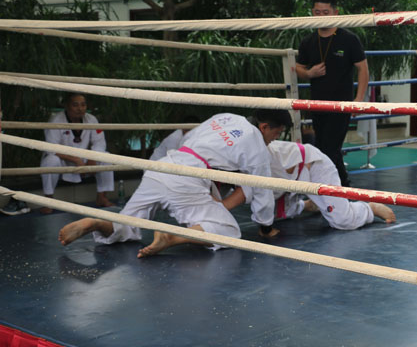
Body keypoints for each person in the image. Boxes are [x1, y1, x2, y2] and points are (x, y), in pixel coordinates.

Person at [57, 110, 291, 258]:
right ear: (264, 127)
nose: (275, 139)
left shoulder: (226, 117)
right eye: (277, 133)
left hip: (162, 168)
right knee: (229, 230)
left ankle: (99, 222)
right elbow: (261, 189)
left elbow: (190, 138)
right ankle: (173, 237)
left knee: (128, 225)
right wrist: (266, 226)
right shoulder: (257, 146)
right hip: (187, 178)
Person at [296, 0, 369, 187]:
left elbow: (363, 69)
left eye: (325, 12)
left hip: (341, 104)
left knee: (330, 148)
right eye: (317, 12)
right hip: (317, 103)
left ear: (335, 13)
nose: (321, 16)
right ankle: (337, 187)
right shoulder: (308, 41)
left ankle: (341, 186)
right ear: (312, 12)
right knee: (323, 147)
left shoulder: (349, 39)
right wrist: (309, 73)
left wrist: (358, 99)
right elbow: (299, 68)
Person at [268, 140, 395, 229]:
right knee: (273, 214)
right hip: (291, 178)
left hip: (313, 165)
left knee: (343, 220)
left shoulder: (261, 154)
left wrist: (265, 229)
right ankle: (309, 205)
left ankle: (370, 208)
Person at [40, 93, 114, 214]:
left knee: (107, 157)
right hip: (63, 161)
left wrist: (92, 158)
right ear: (67, 106)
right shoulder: (56, 120)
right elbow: (51, 147)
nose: (80, 109)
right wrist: (76, 160)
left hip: (85, 160)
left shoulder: (91, 119)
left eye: (83, 105)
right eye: (75, 105)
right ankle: (48, 200)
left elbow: (99, 142)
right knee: (50, 160)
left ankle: (102, 197)